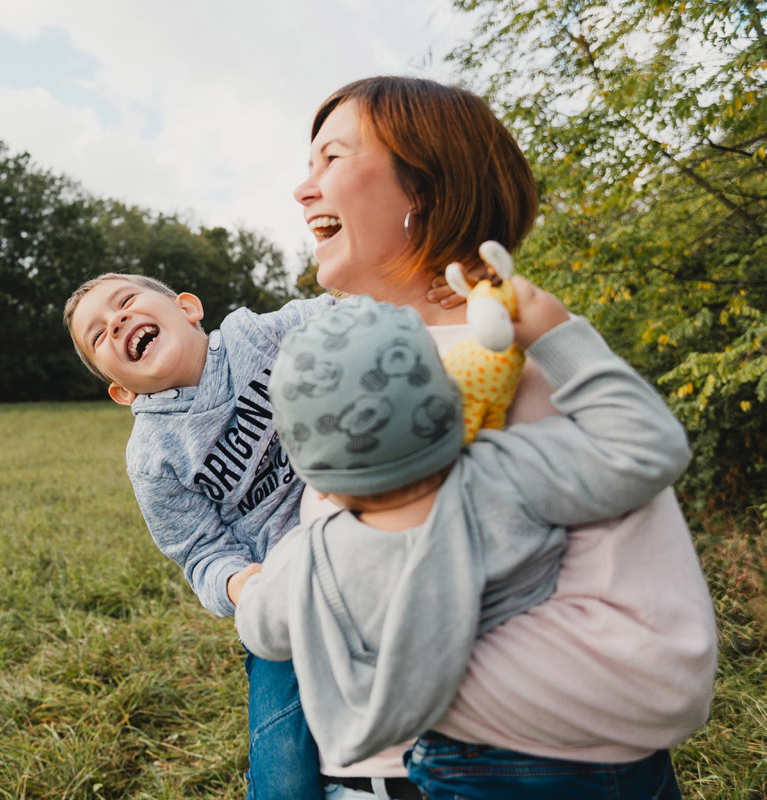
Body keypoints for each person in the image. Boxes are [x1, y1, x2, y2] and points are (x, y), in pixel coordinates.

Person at [290, 75, 717, 799]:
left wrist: (346, 662)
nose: (303, 189)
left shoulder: (479, 361)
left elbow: (652, 666)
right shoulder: (409, 352)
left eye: (331, 159)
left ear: (422, 187)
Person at [235, 286, 691, 782]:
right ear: (457, 405)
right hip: (568, 749)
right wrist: (558, 335)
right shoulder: (505, 473)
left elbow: (261, 632)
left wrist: (254, 583)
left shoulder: (309, 562)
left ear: (314, 477)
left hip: (433, 765)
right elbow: (649, 449)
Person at [63, 272, 336, 799]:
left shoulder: (253, 337)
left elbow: (342, 309)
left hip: (358, 522)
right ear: (119, 391)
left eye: (125, 302)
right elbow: (201, 552)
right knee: (284, 773)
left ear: (188, 308)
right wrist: (242, 586)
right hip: (284, 593)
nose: (116, 321)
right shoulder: (153, 458)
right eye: (98, 335)